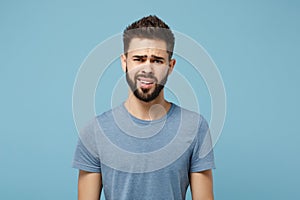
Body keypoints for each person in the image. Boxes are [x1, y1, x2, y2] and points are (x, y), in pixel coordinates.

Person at [72, 15, 215, 200]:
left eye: (157, 60)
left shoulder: (195, 127)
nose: (147, 69)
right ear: (124, 62)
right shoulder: (95, 131)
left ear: (170, 66)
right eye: (139, 59)